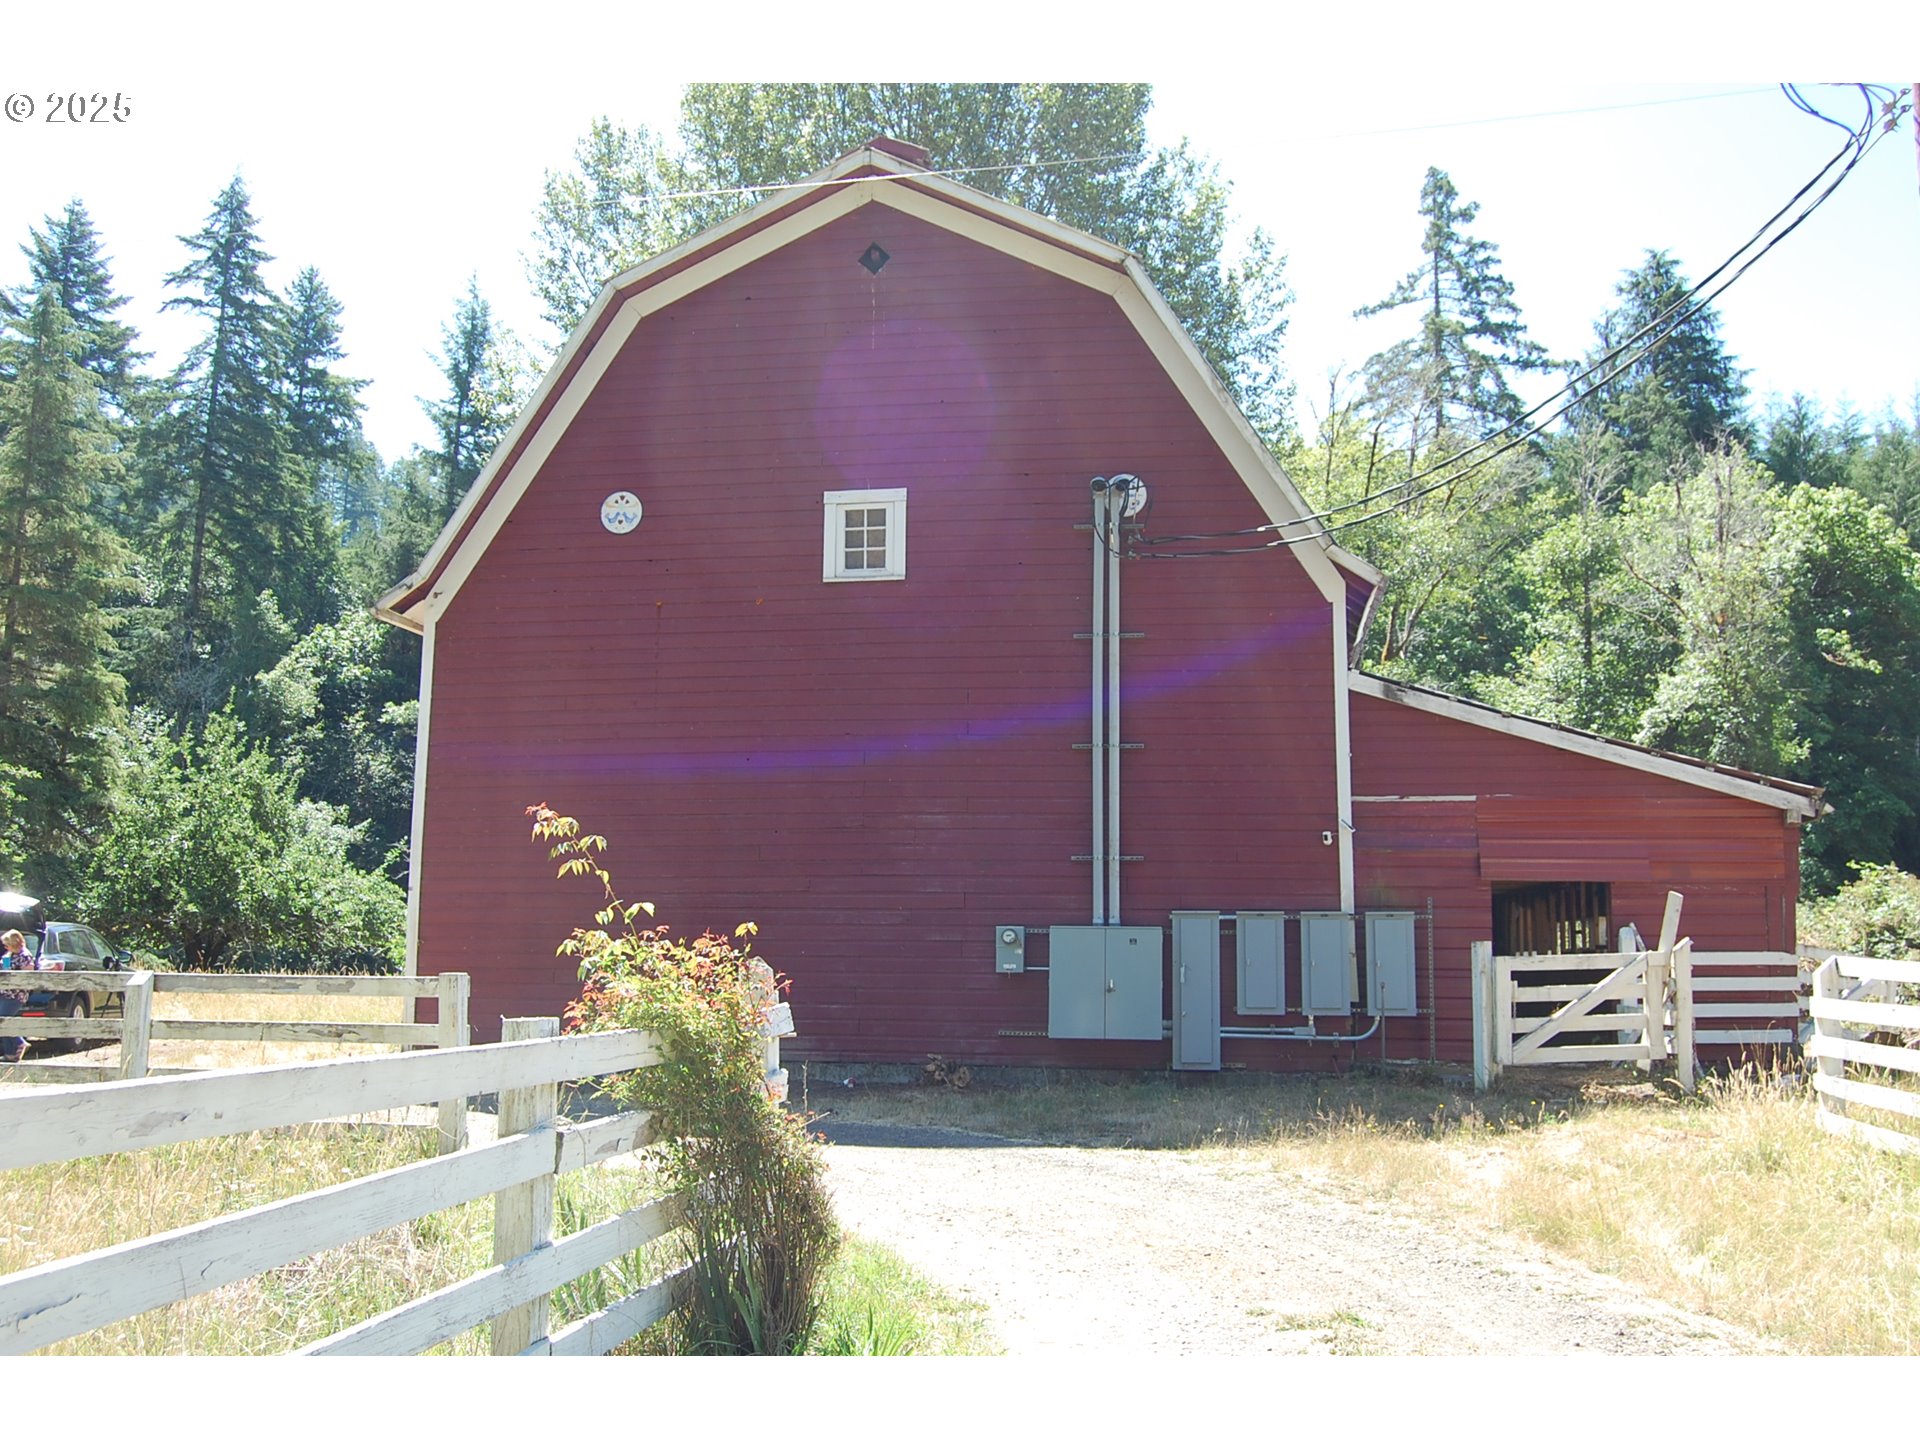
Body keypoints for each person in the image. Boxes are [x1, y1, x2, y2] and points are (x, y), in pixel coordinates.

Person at [0, 928, 31, 1062]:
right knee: (3, 1020)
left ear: (15, 943)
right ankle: (11, 1053)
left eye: (7, 944)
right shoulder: (10, 954)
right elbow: (5, 969)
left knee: (3, 1020)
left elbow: (28, 977)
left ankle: (19, 1042)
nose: (5, 947)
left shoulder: (25, 956)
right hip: (5, 993)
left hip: (16, 996)